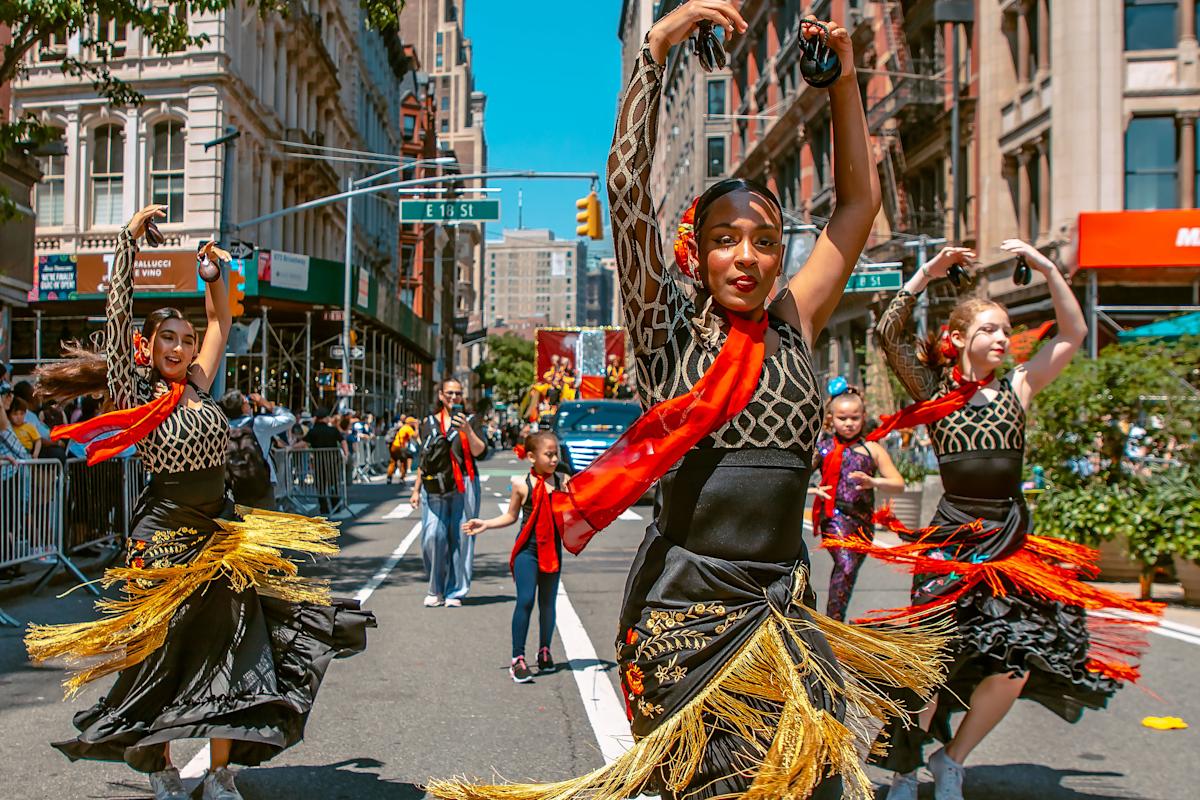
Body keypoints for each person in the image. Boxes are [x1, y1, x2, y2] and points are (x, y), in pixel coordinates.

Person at [428, 7, 945, 800]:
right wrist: (654, 52)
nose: (746, 254)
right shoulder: (665, 325)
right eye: (726, 238)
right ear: (697, 254)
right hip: (686, 611)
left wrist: (842, 78)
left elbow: (855, 208)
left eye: (765, 239)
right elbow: (628, 187)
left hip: (782, 607)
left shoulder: (796, 319)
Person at [24, 204, 373, 800]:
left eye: (186, 340)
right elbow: (117, 307)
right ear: (148, 346)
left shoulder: (201, 385)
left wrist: (217, 274)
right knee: (157, 658)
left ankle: (220, 773)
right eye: (169, 339)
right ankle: (161, 768)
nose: (182, 347)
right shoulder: (134, 389)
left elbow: (221, 321)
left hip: (220, 532)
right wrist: (128, 244)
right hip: (162, 535)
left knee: (236, 650)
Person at [852, 242, 1163, 800]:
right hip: (953, 537)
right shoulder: (935, 392)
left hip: (1009, 539)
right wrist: (925, 272)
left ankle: (953, 759)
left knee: (1015, 662)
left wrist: (1046, 270)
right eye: (990, 330)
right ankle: (904, 771)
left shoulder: (1018, 388)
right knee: (933, 660)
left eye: (1005, 331)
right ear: (960, 339)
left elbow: (1073, 334)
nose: (1002, 339)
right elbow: (887, 336)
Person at [464, 431, 568, 683]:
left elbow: (573, 512)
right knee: (524, 600)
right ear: (531, 457)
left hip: (552, 550)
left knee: (548, 603)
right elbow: (511, 516)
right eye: (549, 454)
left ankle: (544, 650)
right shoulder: (522, 485)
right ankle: (517, 659)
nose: (554, 459)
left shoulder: (563, 480)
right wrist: (486, 524)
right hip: (527, 551)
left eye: (556, 454)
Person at [810, 381, 904, 621]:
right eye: (843, 418)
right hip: (833, 516)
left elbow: (898, 483)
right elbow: (797, 477)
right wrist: (812, 490)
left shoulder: (872, 449)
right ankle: (833, 624)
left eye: (854, 417)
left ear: (863, 417)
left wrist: (875, 483)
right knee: (846, 565)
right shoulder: (823, 448)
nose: (849, 423)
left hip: (863, 521)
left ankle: (836, 621)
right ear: (831, 418)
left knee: (850, 573)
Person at [411, 378, 487, 608]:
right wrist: (415, 490)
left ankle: (456, 590)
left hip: (464, 484)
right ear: (441, 396)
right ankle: (436, 588)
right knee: (433, 535)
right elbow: (424, 459)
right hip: (435, 485)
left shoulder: (471, 420)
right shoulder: (429, 423)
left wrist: (466, 430)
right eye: (450, 393)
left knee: (462, 537)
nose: (454, 397)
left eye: (458, 393)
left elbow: (480, 452)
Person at [219, 390, 296, 509]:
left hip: (237, 485)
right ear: (243, 406)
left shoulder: (224, 428)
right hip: (263, 484)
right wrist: (266, 404)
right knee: (265, 522)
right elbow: (290, 419)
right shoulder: (258, 424)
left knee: (242, 523)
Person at [304, 406, 348, 516]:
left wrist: (290, 447)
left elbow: (304, 443)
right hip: (332, 461)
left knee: (320, 486)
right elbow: (343, 441)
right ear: (325, 418)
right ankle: (336, 506)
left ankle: (324, 508)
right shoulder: (332, 430)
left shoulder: (313, 431)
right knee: (333, 483)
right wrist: (346, 454)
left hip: (319, 462)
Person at [387, 415, 419, 484]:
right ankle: (402, 477)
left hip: (393, 445)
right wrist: (417, 428)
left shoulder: (402, 427)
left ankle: (389, 477)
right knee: (404, 462)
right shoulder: (408, 428)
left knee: (393, 461)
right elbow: (415, 436)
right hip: (400, 447)